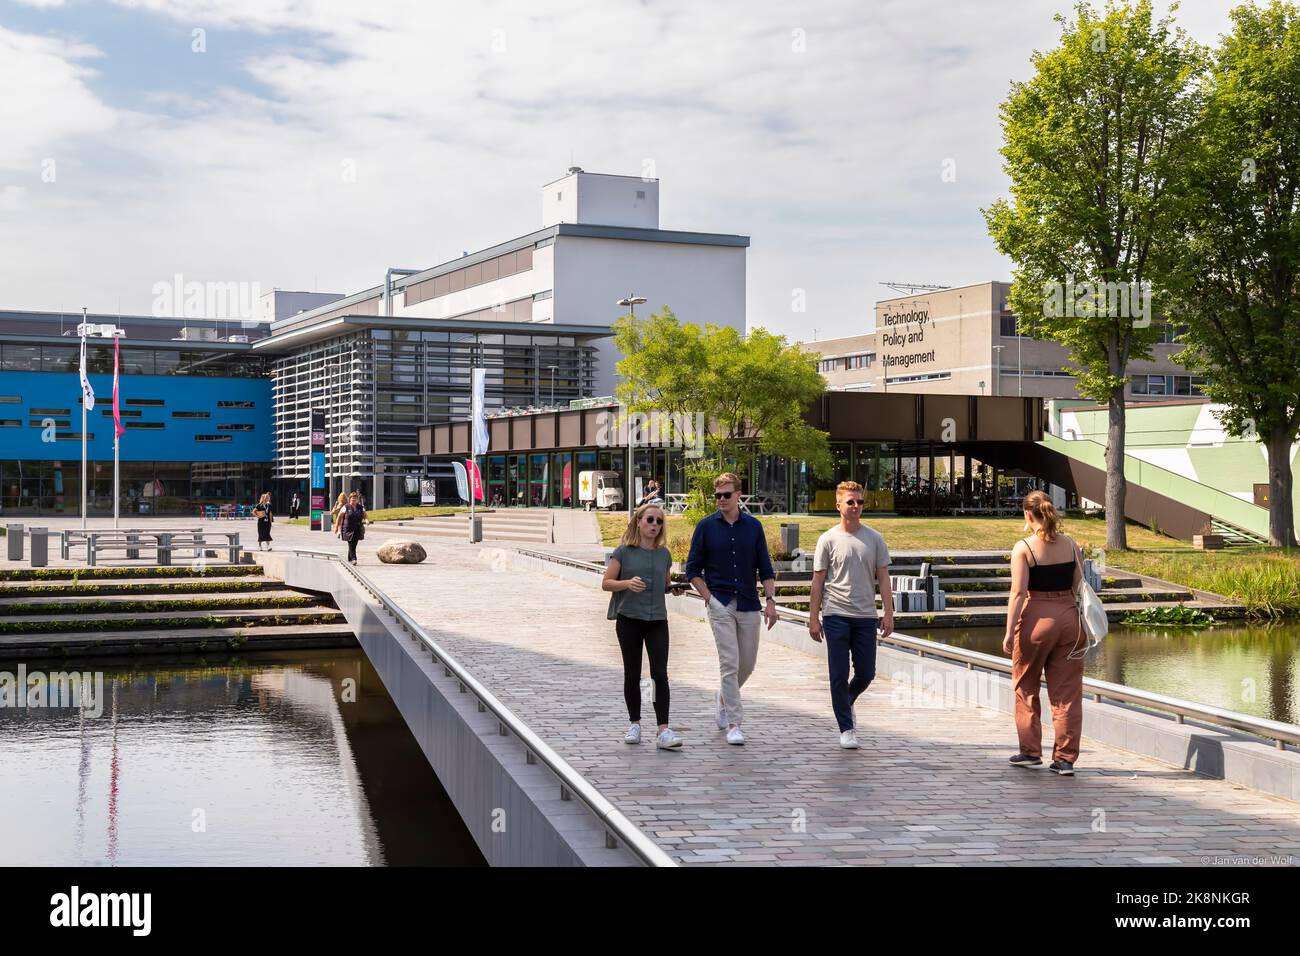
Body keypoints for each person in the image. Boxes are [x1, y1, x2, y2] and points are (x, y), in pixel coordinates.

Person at [683, 472, 777, 746]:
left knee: (747, 665)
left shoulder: (754, 527)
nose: (721, 500)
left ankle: (723, 697)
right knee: (729, 662)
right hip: (720, 603)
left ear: (738, 495)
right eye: (717, 496)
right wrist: (709, 598)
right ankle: (735, 724)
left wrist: (770, 600)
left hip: (749, 602)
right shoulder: (705, 527)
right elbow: (692, 569)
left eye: (726, 494)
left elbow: (765, 568)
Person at [1004, 490, 1086, 776]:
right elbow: (1080, 588)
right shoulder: (1072, 545)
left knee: (1025, 686)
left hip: (1036, 618)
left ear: (1028, 514)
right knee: (1067, 693)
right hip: (1069, 620)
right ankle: (1065, 759)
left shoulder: (1024, 547)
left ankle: (1030, 752)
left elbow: (1017, 593)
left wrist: (1007, 631)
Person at [808, 481, 894, 749]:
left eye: (860, 502)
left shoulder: (875, 539)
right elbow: (817, 582)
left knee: (866, 673)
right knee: (838, 672)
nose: (856, 506)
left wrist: (888, 613)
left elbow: (884, 578)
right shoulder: (828, 539)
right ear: (838, 506)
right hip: (835, 614)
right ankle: (846, 728)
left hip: (866, 616)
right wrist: (813, 618)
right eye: (850, 502)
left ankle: (845, 701)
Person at [602, 502, 685, 750]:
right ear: (638, 521)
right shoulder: (623, 552)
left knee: (659, 674)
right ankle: (635, 724)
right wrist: (627, 583)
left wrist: (674, 590)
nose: (654, 525)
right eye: (650, 520)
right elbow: (606, 583)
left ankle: (663, 730)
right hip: (629, 619)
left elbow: (664, 585)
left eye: (659, 522)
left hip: (657, 620)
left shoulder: (664, 554)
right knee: (632, 672)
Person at [339, 491, 367, 565]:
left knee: (354, 544)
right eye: (352, 499)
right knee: (351, 542)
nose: (353, 501)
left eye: (355, 499)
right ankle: (354, 559)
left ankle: (349, 558)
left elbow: (365, 515)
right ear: (349, 499)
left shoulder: (360, 507)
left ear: (357, 500)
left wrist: (366, 520)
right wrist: (337, 528)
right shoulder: (345, 507)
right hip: (348, 529)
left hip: (357, 528)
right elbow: (339, 517)